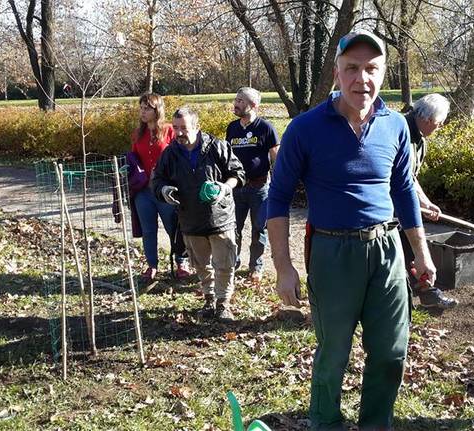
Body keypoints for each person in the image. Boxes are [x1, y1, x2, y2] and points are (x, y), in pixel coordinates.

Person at [267, 29, 436, 430]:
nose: (363, 78)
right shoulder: (305, 129)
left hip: (388, 252)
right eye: (352, 68)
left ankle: (376, 424)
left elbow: (405, 190)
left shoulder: (395, 126)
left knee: (392, 350)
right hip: (332, 253)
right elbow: (277, 198)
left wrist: (422, 253)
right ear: (338, 74)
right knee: (334, 351)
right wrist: (283, 267)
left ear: (383, 73)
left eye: (372, 69)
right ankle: (326, 423)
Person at [152, 107, 245, 320]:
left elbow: (238, 173)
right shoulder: (170, 153)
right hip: (190, 220)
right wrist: (164, 190)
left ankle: (223, 303)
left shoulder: (218, 147)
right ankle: (209, 299)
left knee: (224, 265)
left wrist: (224, 188)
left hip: (220, 219)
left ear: (197, 126)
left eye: (184, 128)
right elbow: (157, 180)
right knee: (201, 265)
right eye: (175, 128)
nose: (179, 133)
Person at [402, 94, 458, 309]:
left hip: (403, 202)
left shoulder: (419, 139)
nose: (440, 126)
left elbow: (411, 177)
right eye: (439, 122)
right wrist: (419, 204)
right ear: (426, 118)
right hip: (387, 205)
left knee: (409, 246)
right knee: (411, 245)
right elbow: (400, 178)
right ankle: (425, 294)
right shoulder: (402, 133)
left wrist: (425, 202)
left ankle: (427, 294)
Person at [130, 93, 190, 284]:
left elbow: (180, 157)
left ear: (157, 110)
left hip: (165, 190)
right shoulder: (137, 134)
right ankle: (152, 265)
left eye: (146, 108)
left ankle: (182, 262)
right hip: (143, 192)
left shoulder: (169, 131)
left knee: (174, 227)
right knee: (148, 230)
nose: (142, 112)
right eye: (141, 108)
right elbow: (133, 160)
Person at [226, 87, 280, 282]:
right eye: (236, 99)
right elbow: (227, 157)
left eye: (240, 101)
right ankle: (233, 263)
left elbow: (276, 158)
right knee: (234, 228)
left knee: (259, 229)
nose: (236, 104)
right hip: (237, 187)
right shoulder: (232, 128)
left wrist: (279, 184)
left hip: (259, 188)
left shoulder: (265, 128)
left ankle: (255, 267)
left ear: (253, 105)